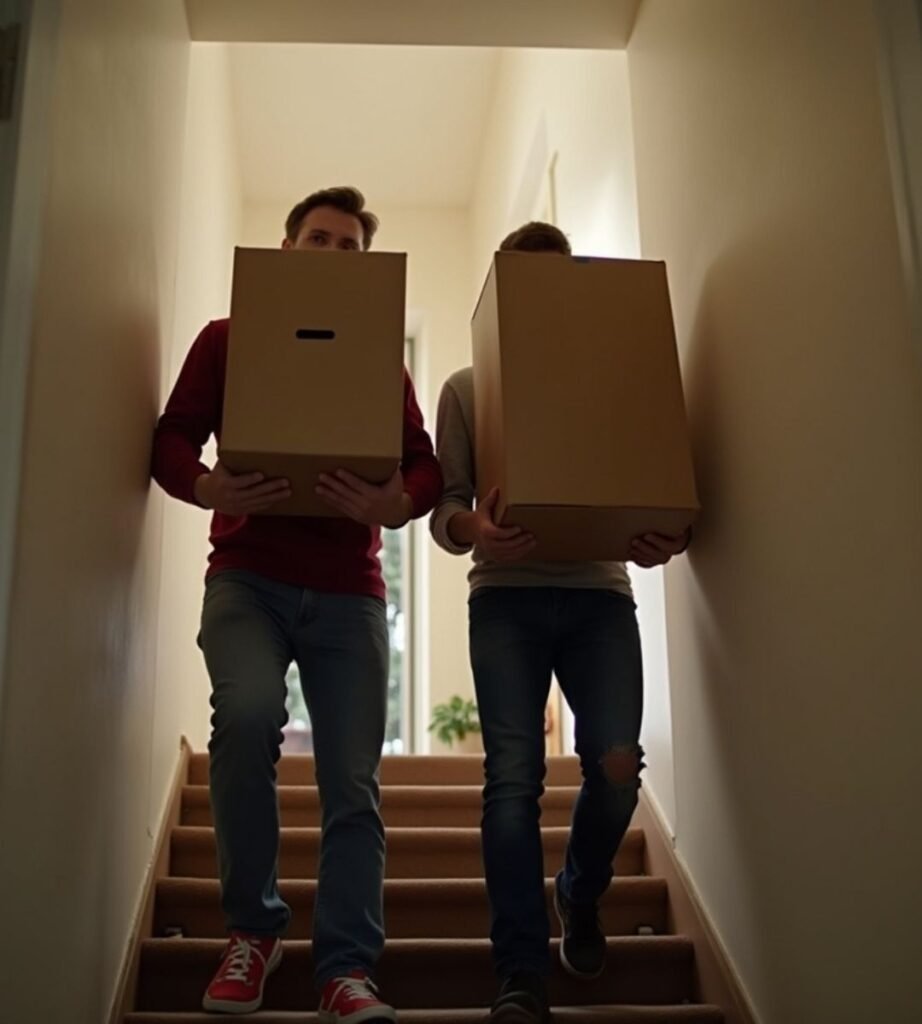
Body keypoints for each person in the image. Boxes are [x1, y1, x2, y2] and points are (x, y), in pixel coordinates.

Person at [152, 186, 442, 1022]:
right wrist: (206, 483)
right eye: (319, 239)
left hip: (351, 592)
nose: (333, 255)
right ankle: (253, 933)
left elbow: (420, 466)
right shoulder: (226, 339)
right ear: (286, 251)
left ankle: (345, 969)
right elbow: (171, 436)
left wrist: (397, 506)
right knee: (244, 724)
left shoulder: (383, 361)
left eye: (350, 247)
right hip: (248, 575)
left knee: (352, 780)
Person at [430, 221, 690, 1023]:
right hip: (504, 598)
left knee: (617, 766)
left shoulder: (612, 378)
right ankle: (520, 971)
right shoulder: (468, 387)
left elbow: (663, 494)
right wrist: (479, 529)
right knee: (513, 784)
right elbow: (445, 512)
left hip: (599, 595)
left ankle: (579, 891)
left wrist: (661, 538)